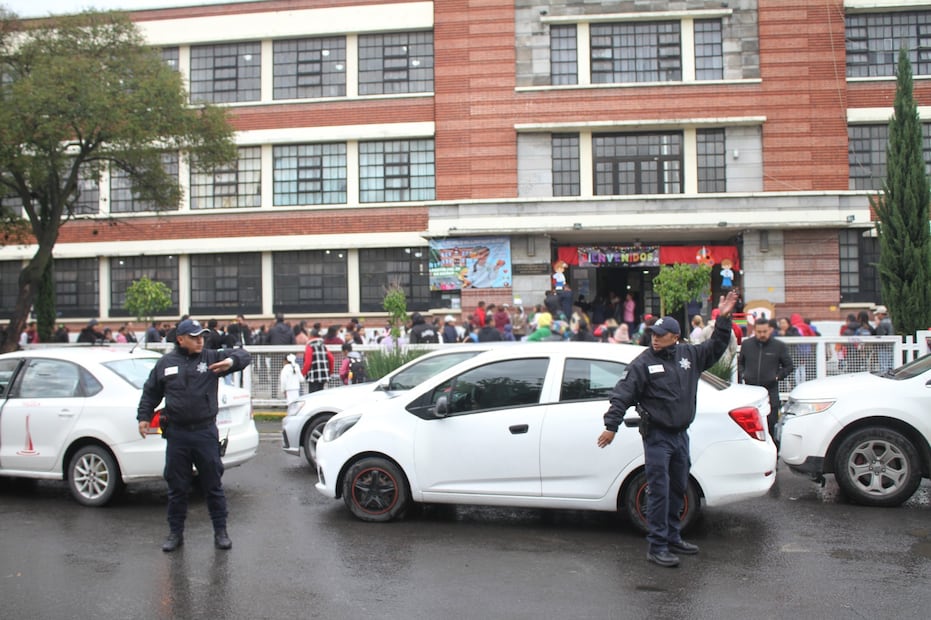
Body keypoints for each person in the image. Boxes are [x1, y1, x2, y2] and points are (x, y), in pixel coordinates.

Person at [597, 290, 739, 568]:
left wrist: (723, 319)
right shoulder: (643, 363)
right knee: (659, 491)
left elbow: (717, 345)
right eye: (653, 334)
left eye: (661, 335)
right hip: (657, 437)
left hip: (680, 436)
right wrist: (611, 425)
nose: (655, 338)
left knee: (678, 488)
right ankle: (657, 545)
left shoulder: (689, 355)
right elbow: (622, 395)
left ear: (675, 337)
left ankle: (673, 537)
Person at [136, 318, 251, 553]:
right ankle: (175, 533)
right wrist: (144, 416)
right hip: (177, 434)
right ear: (180, 339)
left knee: (213, 485)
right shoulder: (166, 363)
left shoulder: (211, 358)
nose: (200, 341)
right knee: (177, 488)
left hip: (204, 433)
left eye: (202, 337)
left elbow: (244, 355)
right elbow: (151, 392)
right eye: (194, 337)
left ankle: (221, 532)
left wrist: (230, 362)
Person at [737, 319, 794, 440]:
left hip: (770, 391)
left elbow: (789, 366)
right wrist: (744, 374)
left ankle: (772, 447)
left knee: (770, 423)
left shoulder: (778, 346)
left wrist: (777, 376)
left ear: (770, 330)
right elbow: (740, 363)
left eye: (765, 331)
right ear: (754, 331)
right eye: (759, 332)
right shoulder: (747, 345)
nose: (762, 334)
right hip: (750, 390)